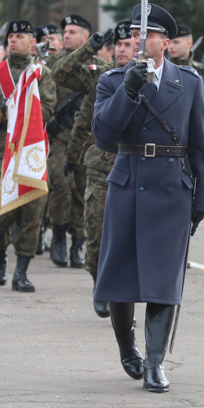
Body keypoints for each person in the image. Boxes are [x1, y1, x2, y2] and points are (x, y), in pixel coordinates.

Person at [92, 2, 204, 393]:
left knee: (164, 278)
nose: (138, 40)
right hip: (129, 183)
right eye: (133, 34)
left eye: (147, 34)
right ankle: (127, 348)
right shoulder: (113, 80)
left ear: (165, 42)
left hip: (171, 187)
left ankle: (155, 361)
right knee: (121, 274)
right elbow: (103, 135)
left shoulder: (189, 81)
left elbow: (200, 142)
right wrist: (128, 90)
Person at [52, 20, 133, 318]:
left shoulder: (154, 75)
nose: (122, 49)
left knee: (131, 236)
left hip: (137, 165)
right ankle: (100, 284)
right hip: (103, 165)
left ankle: (125, 291)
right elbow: (59, 73)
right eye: (118, 45)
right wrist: (89, 48)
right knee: (97, 232)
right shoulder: (101, 74)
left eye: (128, 45)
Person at [0, 20, 56, 291]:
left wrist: (18, 107)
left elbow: (48, 110)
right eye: (11, 36)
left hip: (32, 150)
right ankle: (0, 253)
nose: (13, 40)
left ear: (32, 43)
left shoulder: (42, 73)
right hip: (3, 151)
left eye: (20, 36)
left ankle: (21, 272)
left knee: (32, 212)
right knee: (1, 214)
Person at [44, 15, 91, 268]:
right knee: (60, 185)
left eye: (73, 32)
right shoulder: (52, 64)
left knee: (83, 191)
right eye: (66, 31)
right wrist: (49, 117)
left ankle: (77, 244)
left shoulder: (98, 66)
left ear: (86, 38)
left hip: (87, 141)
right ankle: (59, 238)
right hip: (60, 137)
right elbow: (40, 96)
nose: (67, 35)